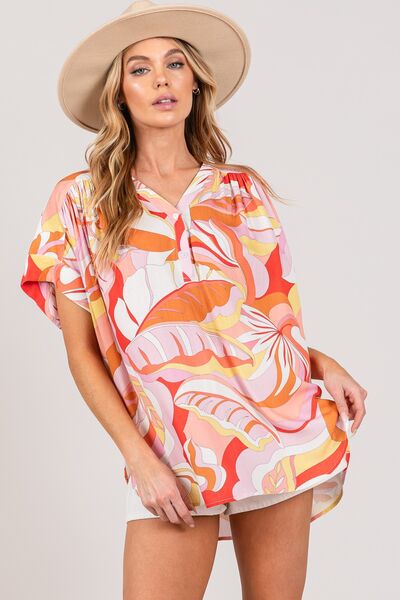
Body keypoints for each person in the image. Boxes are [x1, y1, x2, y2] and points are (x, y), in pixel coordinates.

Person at [20, 1, 367, 598]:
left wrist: (319, 361)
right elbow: (81, 353)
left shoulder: (240, 192)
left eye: (175, 63)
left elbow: (262, 322)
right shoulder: (79, 202)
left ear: (195, 83)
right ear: (118, 92)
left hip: (274, 435)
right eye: (140, 68)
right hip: (170, 452)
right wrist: (141, 459)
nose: (161, 79)